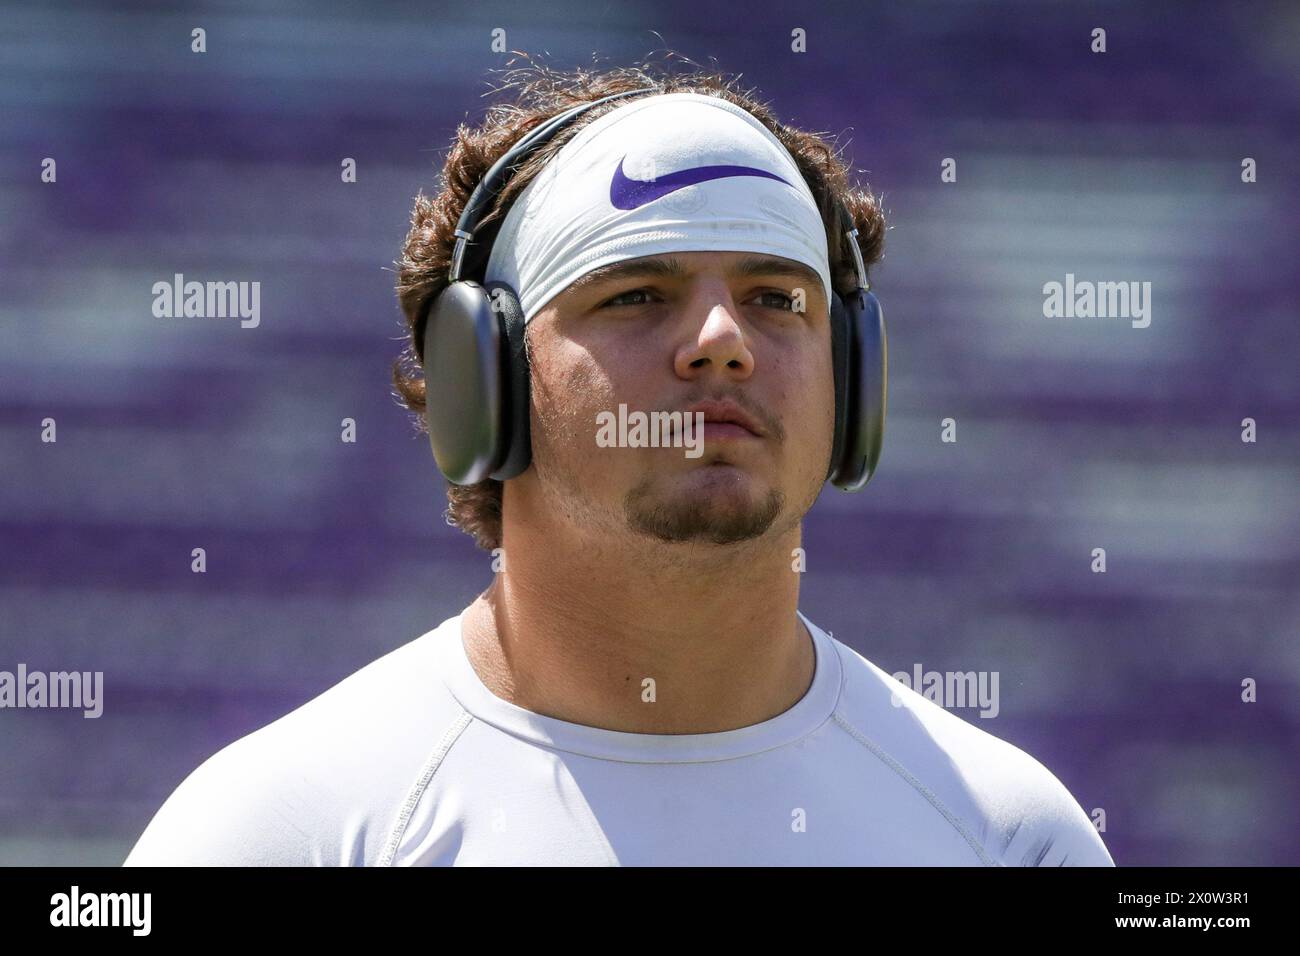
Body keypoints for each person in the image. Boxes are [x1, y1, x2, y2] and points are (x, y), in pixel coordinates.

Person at [124, 61, 1114, 867]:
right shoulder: (280, 832)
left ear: (851, 379)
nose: (723, 339)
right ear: (486, 379)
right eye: (638, 292)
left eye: (778, 298)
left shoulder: (1009, 835)